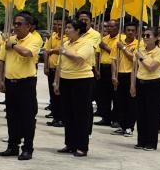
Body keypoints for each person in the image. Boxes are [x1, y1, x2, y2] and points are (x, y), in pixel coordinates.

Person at [0, 11, 43, 159]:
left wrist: (13, 45)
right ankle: (12, 146)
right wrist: (0, 80)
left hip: (26, 83)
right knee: (12, 116)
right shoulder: (10, 39)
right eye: (15, 24)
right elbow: (1, 60)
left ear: (28, 26)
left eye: (20, 24)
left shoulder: (35, 39)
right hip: (10, 82)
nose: (16, 27)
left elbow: (27, 53)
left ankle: (27, 148)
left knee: (27, 117)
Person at [55, 19, 96, 157]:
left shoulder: (87, 43)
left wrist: (65, 52)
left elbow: (79, 58)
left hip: (82, 80)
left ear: (78, 30)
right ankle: (70, 144)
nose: (66, 30)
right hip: (66, 79)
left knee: (81, 114)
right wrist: (57, 82)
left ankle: (82, 146)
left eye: (69, 28)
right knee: (68, 114)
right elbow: (60, 65)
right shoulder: (66, 44)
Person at [130, 27, 160, 150]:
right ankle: (141, 140)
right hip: (140, 82)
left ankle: (151, 142)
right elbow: (134, 69)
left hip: (153, 84)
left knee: (152, 114)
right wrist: (132, 85)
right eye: (144, 35)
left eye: (148, 36)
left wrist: (141, 57)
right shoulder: (140, 50)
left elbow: (151, 67)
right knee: (140, 113)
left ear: (156, 38)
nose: (145, 38)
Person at [112, 23, 138, 136]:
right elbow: (113, 60)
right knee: (119, 102)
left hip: (131, 76)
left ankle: (129, 127)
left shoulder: (138, 44)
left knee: (131, 103)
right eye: (128, 30)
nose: (130, 32)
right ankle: (122, 126)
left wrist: (123, 48)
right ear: (124, 31)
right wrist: (114, 75)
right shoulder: (118, 42)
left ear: (136, 32)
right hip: (119, 75)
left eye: (133, 30)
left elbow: (133, 58)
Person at [96, 20, 118, 125]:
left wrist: (105, 47)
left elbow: (117, 54)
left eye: (111, 26)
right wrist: (97, 69)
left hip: (114, 68)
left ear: (117, 27)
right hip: (103, 67)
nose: (109, 28)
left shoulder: (121, 39)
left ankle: (116, 118)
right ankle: (106, 117)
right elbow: (98, 54)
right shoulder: (104, 39)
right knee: (104, 95)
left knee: (116, 95)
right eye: (108, 26)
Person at [43, 17, 63, 125]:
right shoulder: (53, 37)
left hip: (61, 71)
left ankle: (61, 118)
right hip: (51, 69)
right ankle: (55, 117)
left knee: (60, 95)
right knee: (53, 95)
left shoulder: (67, 38)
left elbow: (62, 51)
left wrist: (52, 50)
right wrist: (46, 66)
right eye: (56, 24)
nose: (58, 27)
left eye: (60, 25)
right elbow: (46, 51)